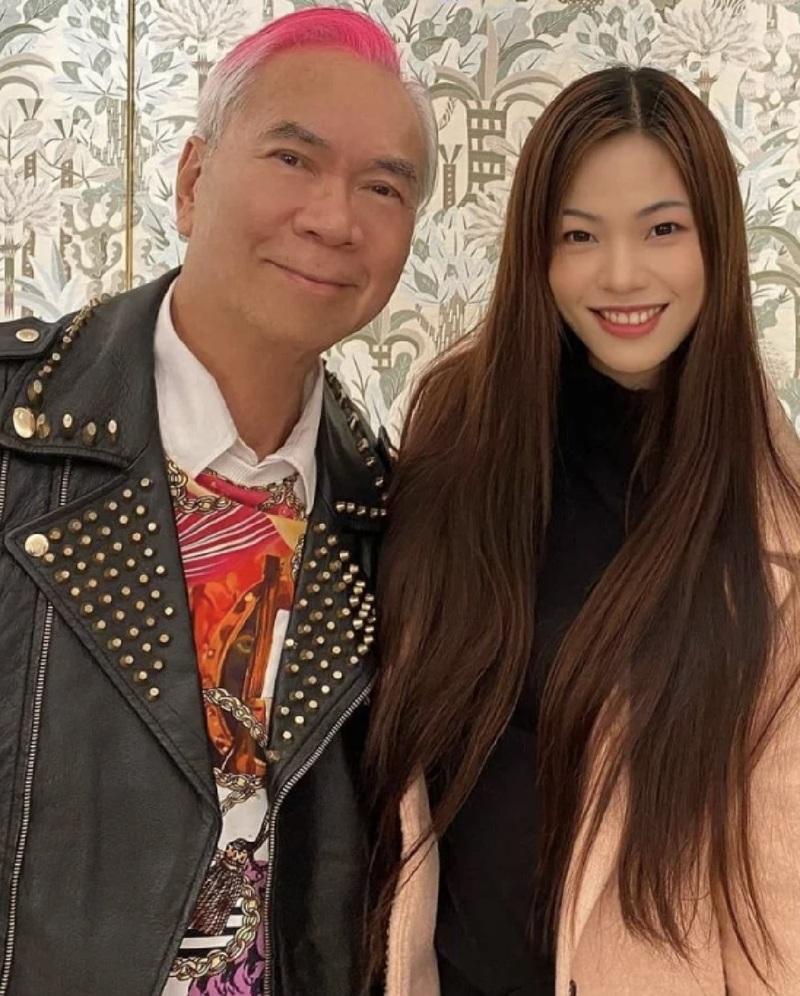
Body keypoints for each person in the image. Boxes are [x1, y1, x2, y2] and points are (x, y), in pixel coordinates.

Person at [0, 8, 437, 995]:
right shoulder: (17, 435)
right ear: (193, 179)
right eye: (293, 158)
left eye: (383, 186)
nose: (333, 218)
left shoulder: (396, 519)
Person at [366, 66, 800, 995]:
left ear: (718, 240)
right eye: (579, 235)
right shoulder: (458, 433)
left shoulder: (774, 527)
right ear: (538, 250)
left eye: (663, 229)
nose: (622, 274)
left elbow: (781, 885)